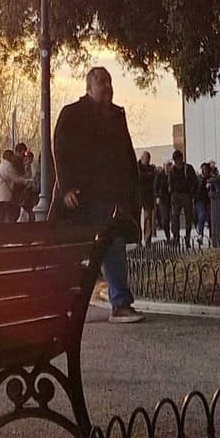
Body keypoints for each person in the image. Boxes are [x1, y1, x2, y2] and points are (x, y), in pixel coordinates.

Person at [51, 66, 144, 322]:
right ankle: (71, 303)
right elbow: (60, 151)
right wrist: (66, 188)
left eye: (110, 82)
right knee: (78, 253)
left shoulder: (116, 116)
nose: (107, 87)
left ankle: (120, 303)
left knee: (112, 245)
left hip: (112, 197)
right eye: (102, 82)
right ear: (89, 87)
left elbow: (127, 154)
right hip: (82, 198)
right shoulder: (72, 114)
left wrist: (133, 194)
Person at [166, 149, 200, 245]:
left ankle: (187, 238)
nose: (177, 162)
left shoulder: (188, 168)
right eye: (175, 160)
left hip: (186, 195)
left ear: (181, 159)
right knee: (175, 217)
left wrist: (191, 193)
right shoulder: (172, 170)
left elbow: (194, 181)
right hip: (176, 195)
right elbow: (170, 183)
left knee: (188, 218)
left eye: (178, 159)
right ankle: (176, 237)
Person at [0, 148, 30, 223]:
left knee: (1, 215)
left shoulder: (1, 165)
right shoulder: (7, 166)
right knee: (7, 215)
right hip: (4, 195)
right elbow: (15, 178)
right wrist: (26, 181)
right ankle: (6, 231)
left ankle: (2, 229)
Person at [136, 152, 159, 244]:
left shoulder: (150, 168)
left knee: (148, 218)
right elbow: (141, 177)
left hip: (148, 197)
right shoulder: (138, 168)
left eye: (148, 159)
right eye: (146, 158)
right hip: (139, 196)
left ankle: (147, 239)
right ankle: (138, 239)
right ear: (142, 158)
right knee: (138, 219)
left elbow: (154, 177)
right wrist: (150, 174)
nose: (147, 160)